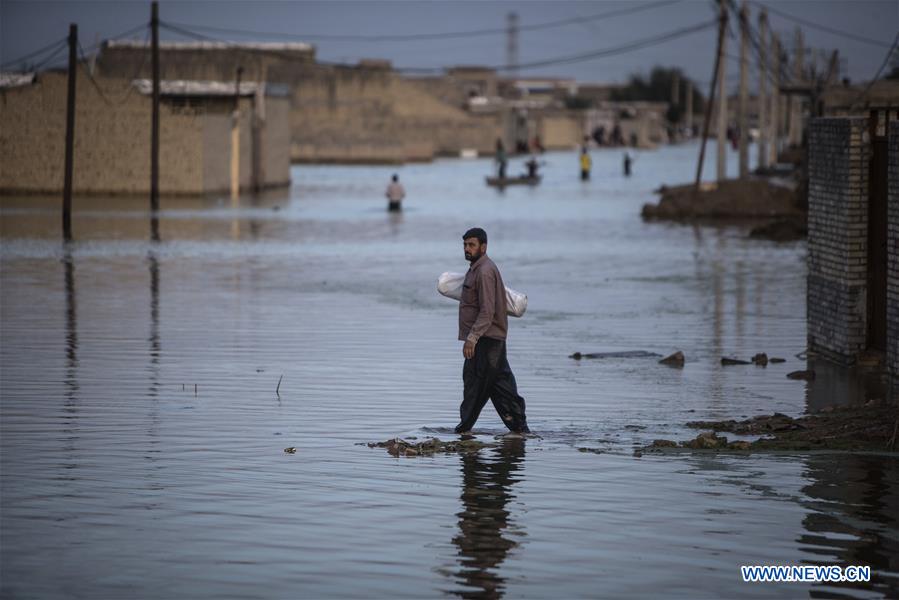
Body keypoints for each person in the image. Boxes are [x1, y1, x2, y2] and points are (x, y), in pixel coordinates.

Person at [456, 227, 529, 434]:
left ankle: (463, 430)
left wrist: (472, 338)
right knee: (498, 387)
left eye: (471, 245)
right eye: (465, 245)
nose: (467, 249)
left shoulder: (485, 271)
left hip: (487, 341)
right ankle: (520, 430)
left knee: (477, 387)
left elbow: (487, 311)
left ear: (483, 247)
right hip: (487, 340)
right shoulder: (475, 269)